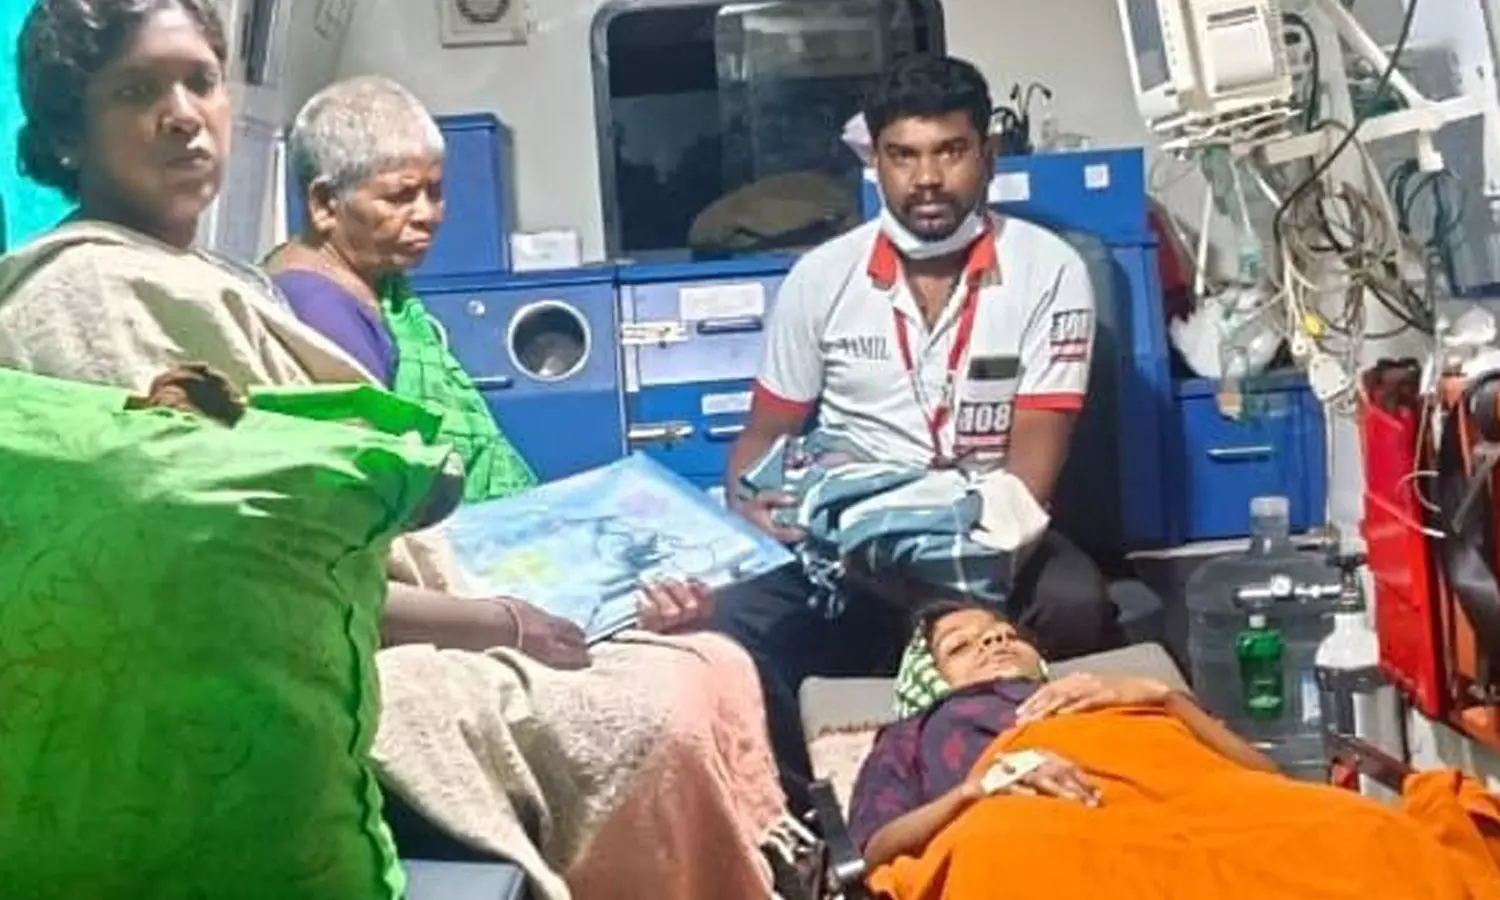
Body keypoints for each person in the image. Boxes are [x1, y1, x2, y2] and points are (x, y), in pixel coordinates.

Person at [0, 4, 785, 898]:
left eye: (201, 81)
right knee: (672, 699)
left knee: (710, 655)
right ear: (65, 131)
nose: (183, 114)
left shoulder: (215, 280)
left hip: (387, 600)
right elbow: (243, 576)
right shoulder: (88, 297)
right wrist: (505, 623)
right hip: (301, 663)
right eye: (137, 91)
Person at [712, 53, 1122, 811]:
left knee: (1075, 602)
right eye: (903, 155)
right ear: (876, 161)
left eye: (950, 152)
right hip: (850, 542)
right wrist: (753, 505)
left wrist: (923, 570)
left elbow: (1029, 485)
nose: (926, 178)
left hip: (987, 531)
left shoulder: (1049, 271)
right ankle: (806, 816)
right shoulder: (820, 278)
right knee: (738, 618)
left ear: (987, 156)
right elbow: (760, 441)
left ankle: (1054, 784)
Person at [263, 74, 717, 661]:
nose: (428, 215)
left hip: (496, 563)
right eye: (400, 197)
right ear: (326, 203)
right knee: (700, 661)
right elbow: (365, 551)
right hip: (452, 603)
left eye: (435, 191)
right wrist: (511, 626)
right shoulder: (322, 317)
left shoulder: (382, 290)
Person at [849, 601, 1500, 899]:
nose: (993, 642)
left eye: (1003, 632)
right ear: (925, 681)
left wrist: (1163, 697)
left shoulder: (1112, 688)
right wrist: (974, 792)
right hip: (1032, 811)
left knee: (1356, 832)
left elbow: (1264, 775)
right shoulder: (916, 733)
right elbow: (875, 847)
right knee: (1015, 858)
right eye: (961, 645)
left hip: (1193, 788)